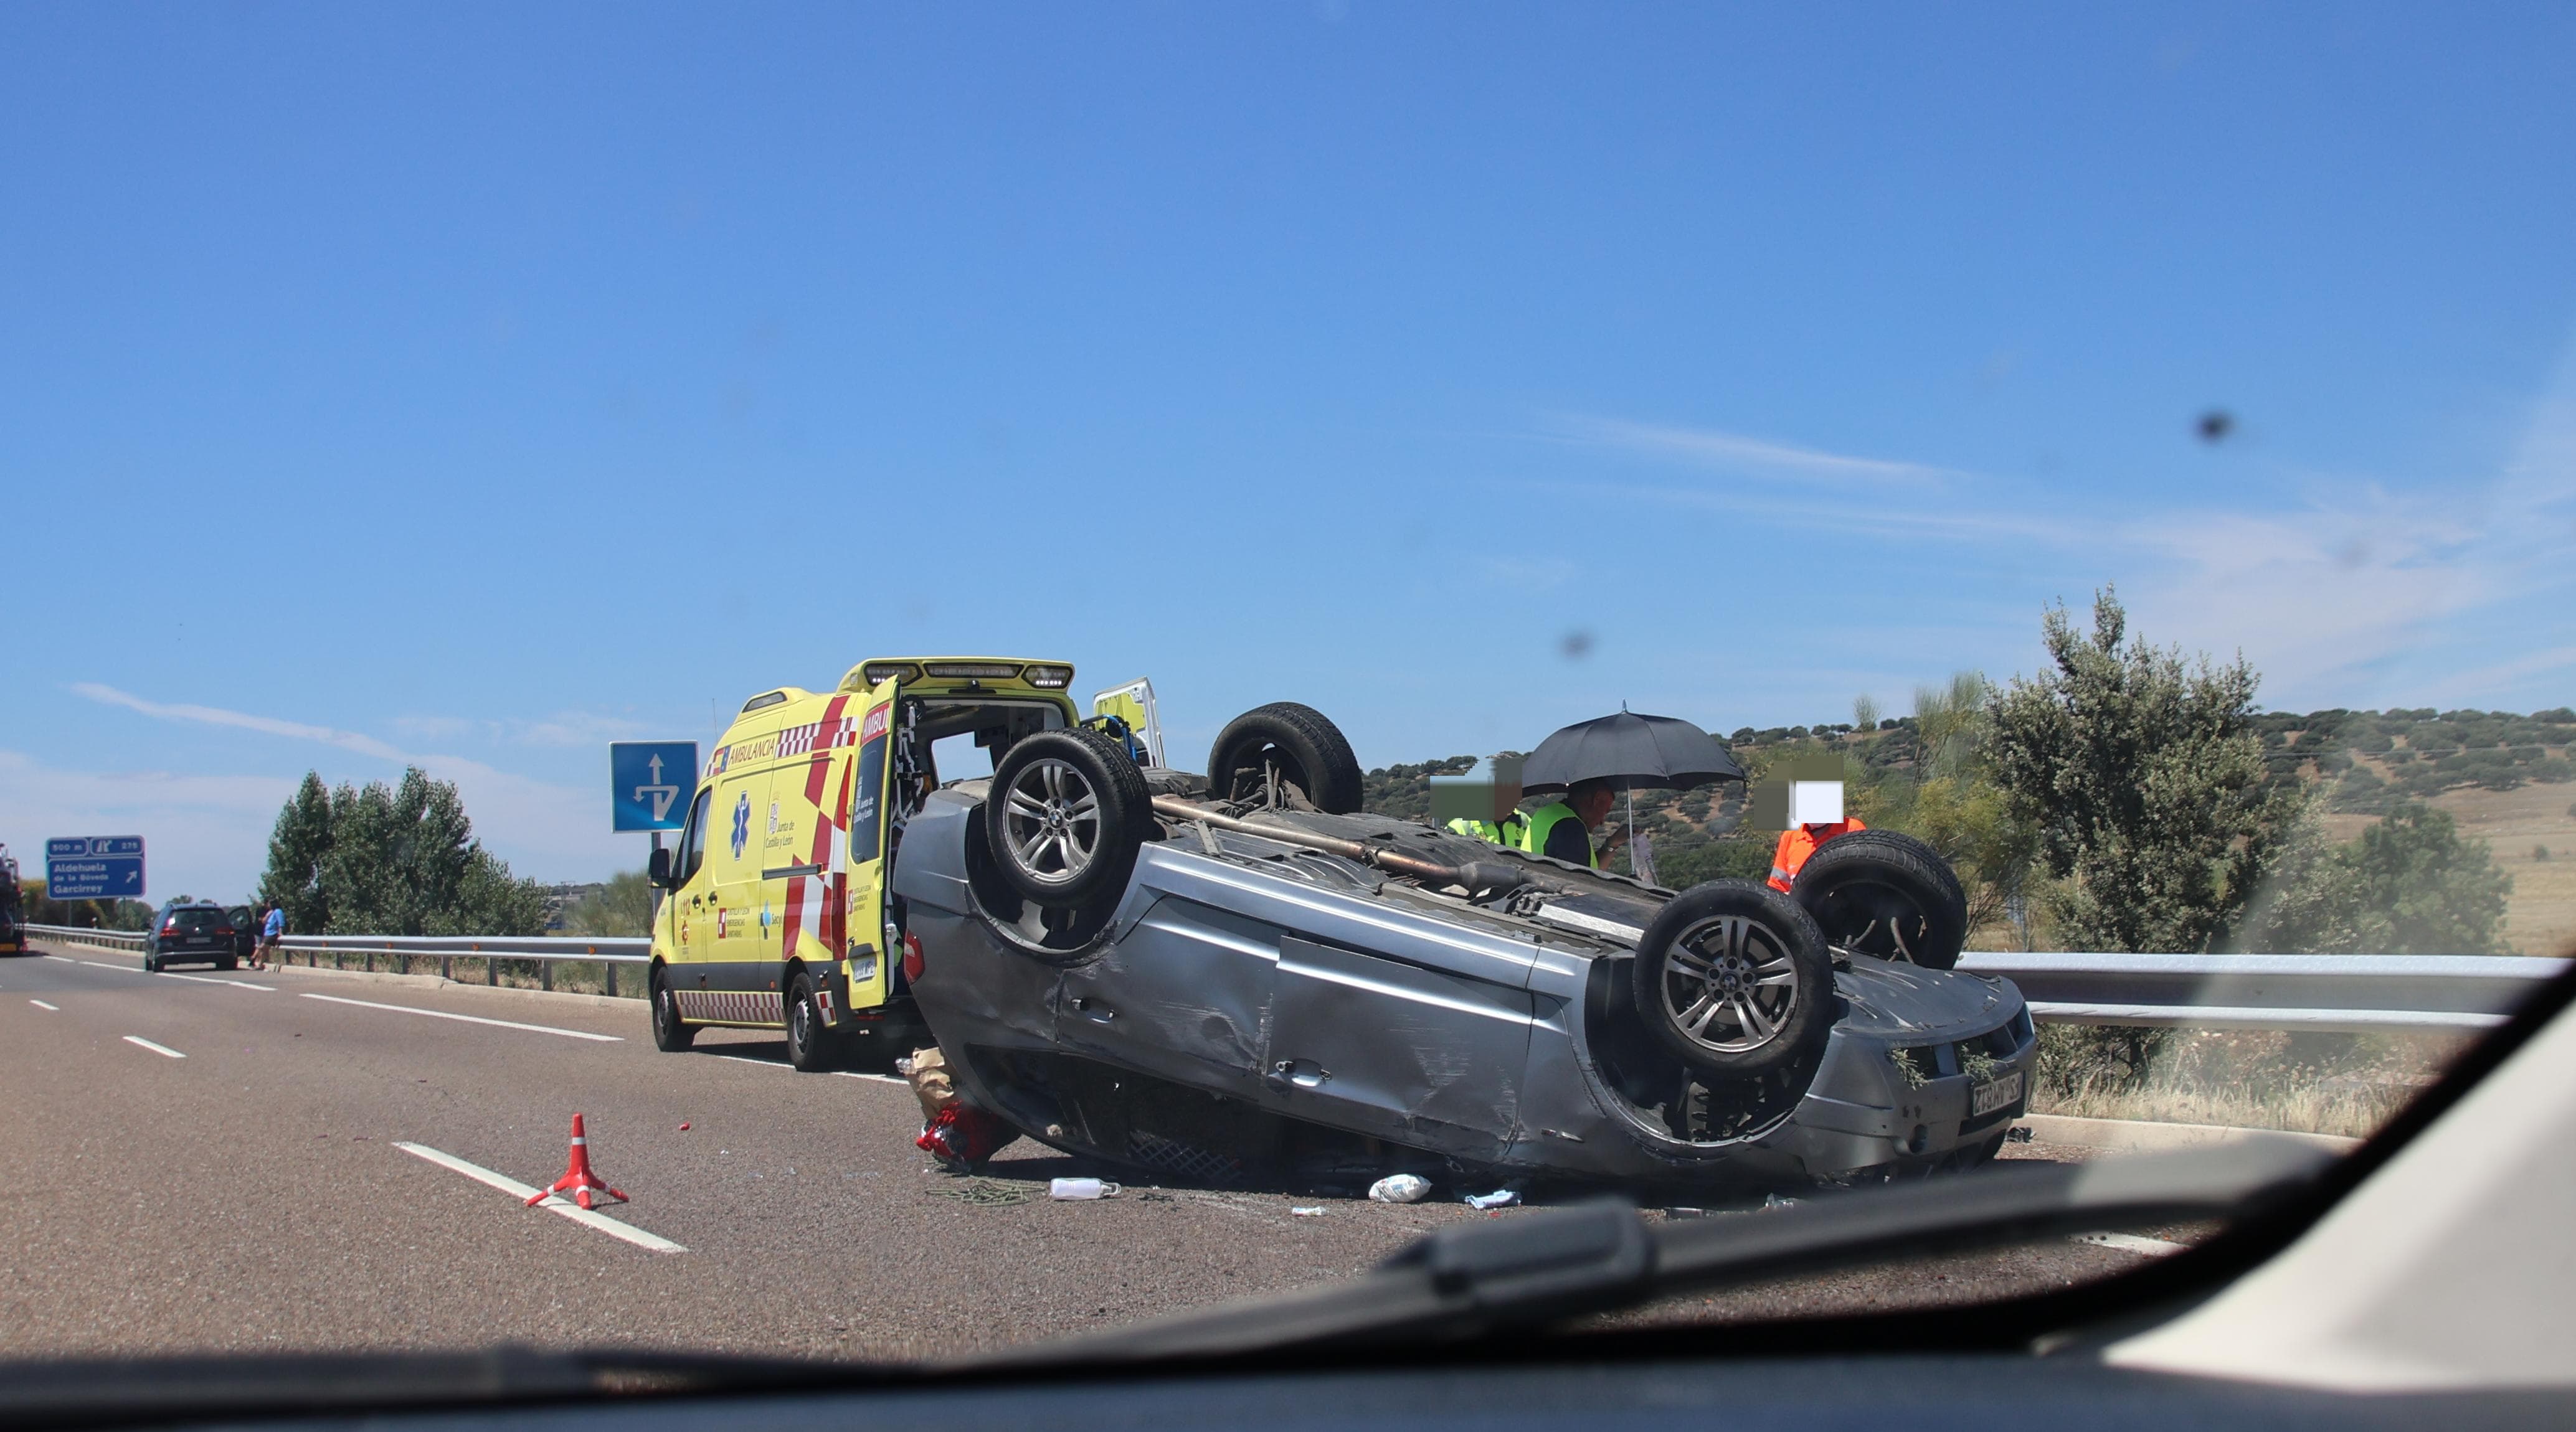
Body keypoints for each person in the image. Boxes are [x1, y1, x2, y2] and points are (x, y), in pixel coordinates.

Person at [1518, 776, 1626, 869]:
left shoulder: (1546, 814)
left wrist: (1612, 844)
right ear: (1596, 799)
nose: (1603, 821)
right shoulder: (1571, 828)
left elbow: (1591, 872)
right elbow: (1579, 885)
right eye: (1605, 811)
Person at [1766, 813, 1866, 893]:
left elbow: (1867, 875)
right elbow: (1777, 888)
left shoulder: (1852, 829)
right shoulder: (1790, 836)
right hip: (1801, 913)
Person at [256, 902, 285, 971]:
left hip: (272, 933)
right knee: (264, 950)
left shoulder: (278, 911)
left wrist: (280, 932)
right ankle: (260, 964)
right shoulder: (272, 912)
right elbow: (265, 921)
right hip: (268, 933)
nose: (268, 905)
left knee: (263, 947)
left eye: (269, 904)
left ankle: (258, 963)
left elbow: (281, 922)